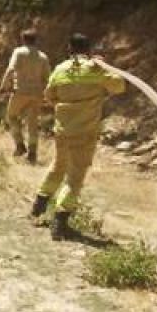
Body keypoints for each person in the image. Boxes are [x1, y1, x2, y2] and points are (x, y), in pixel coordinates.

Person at [31, 33, 125, 240]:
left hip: (62, 130)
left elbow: (49, 95)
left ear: (69, 48)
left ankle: (38, 207)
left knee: (58, 166)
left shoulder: (61, 68)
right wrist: (103, 67)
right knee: (74, 178)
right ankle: (60, 221)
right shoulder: (95, 69)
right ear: (89, 49)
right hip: (84, 132)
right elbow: (119, 86)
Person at [0, 29, 51, 163]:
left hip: (20, 92)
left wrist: (4, 85)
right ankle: (32, 153)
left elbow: (11, 69)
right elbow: (48, 78)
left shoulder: (19, 52)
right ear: (36, 40)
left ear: (23, 39)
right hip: (37, 94)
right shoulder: (43, 56)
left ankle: (20, 145)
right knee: (33, 123)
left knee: (11, 116)